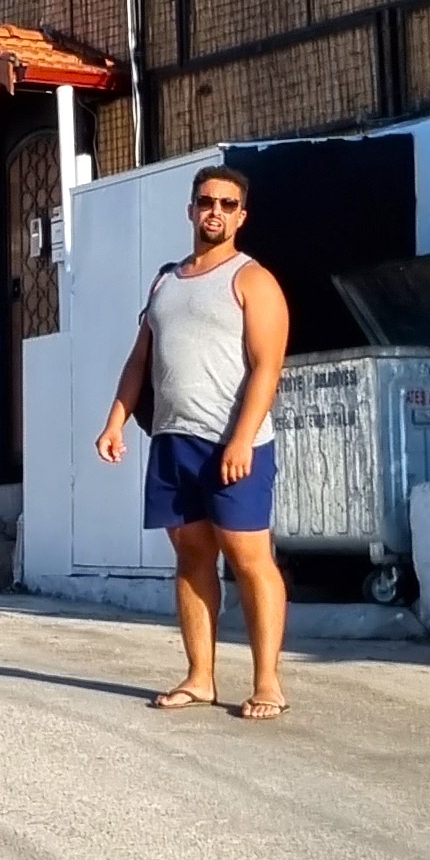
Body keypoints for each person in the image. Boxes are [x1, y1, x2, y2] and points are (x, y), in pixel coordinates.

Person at [96, 162, 290, 719]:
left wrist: (242, 440)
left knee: (251, 559)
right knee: (192, 557)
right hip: (172, 442)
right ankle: (200, 677)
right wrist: (115, 421)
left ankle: (268, 683)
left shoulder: (252, 280)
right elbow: (140, 359)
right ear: (191, 209)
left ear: (242, 216)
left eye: (228, 205)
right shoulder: (165, 280)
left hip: (233, 444)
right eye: (207, 202)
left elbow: (267, 367)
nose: (215, 212)